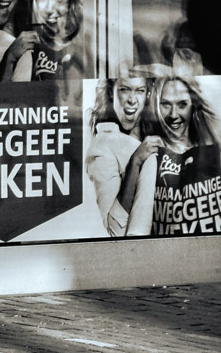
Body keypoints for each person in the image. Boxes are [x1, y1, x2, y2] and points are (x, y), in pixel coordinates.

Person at [120, 70, 221, 236]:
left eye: (182, 104)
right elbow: (120, 221)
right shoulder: (147, 151)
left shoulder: (211, 146)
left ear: (194, 105)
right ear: (156, 106)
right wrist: (135, 161)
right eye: (165, 104)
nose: (174, 115)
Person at [85, 73, 149, 235]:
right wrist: (135, 163)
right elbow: (114, 230)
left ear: (148, 94)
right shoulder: (102, 146)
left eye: (140, 90)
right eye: (124, 90)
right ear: (110, 93)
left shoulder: (163, 129)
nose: (132, 100)